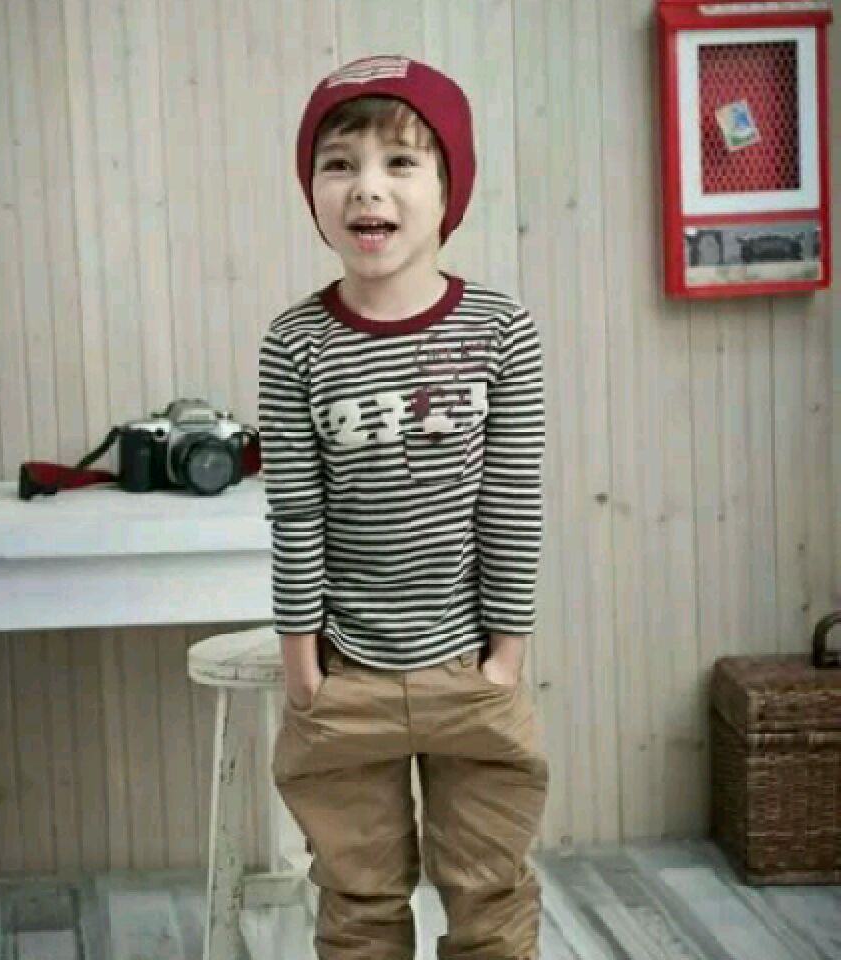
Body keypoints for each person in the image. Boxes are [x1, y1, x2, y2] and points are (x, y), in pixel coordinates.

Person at [258, 54, 548, 960]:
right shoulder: (295, 344)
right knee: (357, 902)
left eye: (399, 162)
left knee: (491, 895)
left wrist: (506, 655)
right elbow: (295, 516)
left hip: (468, 664)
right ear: (311, 190)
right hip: (345, 673)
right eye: (338, 164)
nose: (366, 187)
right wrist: (303, 668)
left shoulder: (500, 331)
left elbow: (511, 502)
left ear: (448, 189)